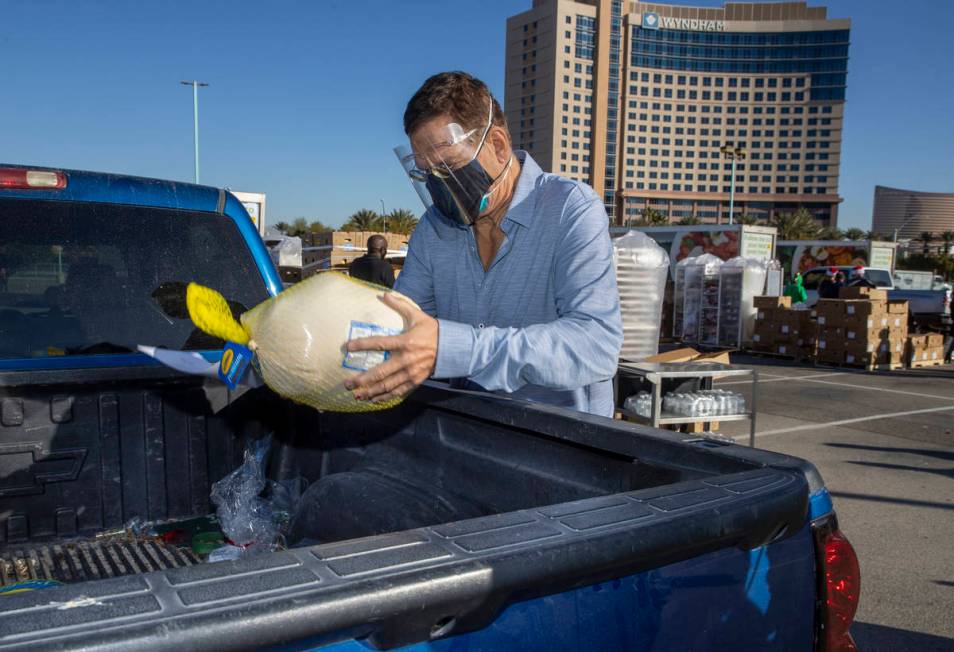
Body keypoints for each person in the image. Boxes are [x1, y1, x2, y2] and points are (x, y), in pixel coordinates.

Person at [343, 71, 622, 416]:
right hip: (470, 433)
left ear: (499, 145)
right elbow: (401, 323)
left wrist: (455, 349)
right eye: (427, 174)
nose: (439, 186)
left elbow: (595, 345)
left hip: (562, 445)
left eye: (450, 167)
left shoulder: (571, 210)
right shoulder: (434, 229)